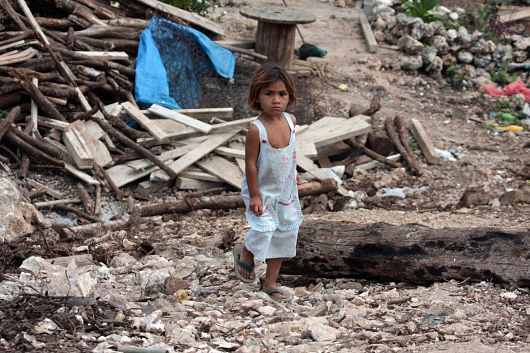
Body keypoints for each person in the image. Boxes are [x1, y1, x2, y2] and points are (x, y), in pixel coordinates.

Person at [233, 63, 303, 302]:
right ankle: (247, 251)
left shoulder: (291, 121)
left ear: (289, 96)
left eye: (282, 94)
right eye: (269, 93)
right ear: (257, 96)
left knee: (285, 234)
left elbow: (291, 153)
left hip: (286, 190)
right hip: (261, 190)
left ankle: (270, 283)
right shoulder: (257, 130)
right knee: (264, 230)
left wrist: (294, 173)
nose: (276, 100)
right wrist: (254, 196)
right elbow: (250, 165)